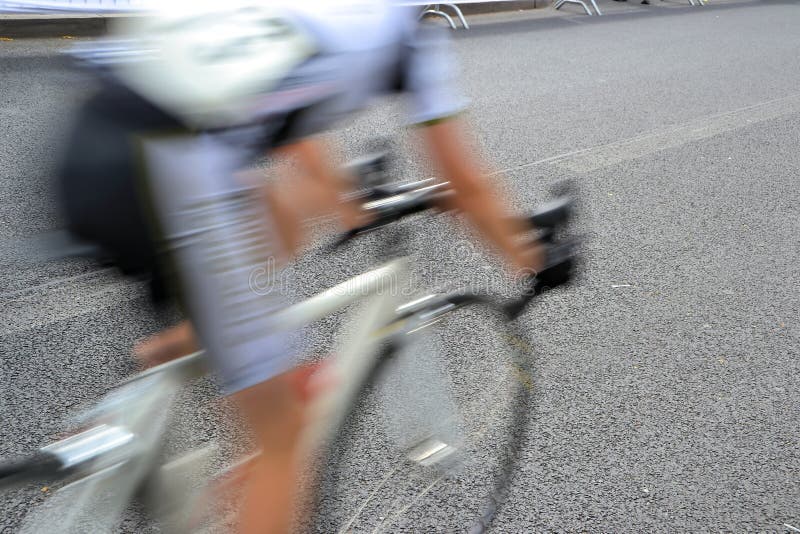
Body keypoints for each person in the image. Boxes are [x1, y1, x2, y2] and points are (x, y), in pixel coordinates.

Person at [57, 1, 544, 532]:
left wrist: (343, 199)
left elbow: (294, 134)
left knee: (277, 222)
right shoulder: (409, 37)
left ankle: (169, 362)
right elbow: (467, 183)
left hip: (92, 148)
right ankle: (245, 408)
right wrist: (533, 255)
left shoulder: (321, 15)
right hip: (171, 176)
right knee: (282, 437)